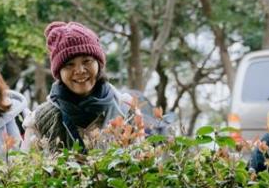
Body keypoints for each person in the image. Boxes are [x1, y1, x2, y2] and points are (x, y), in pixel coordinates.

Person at [23, 21, 165, 151]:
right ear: (59, 72)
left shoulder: (126, 109)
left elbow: (141, 166)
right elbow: (25, 172)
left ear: (99, 63)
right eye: (69, 64)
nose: (79, 71)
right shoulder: (40, 120)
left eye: (87, 61)